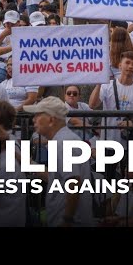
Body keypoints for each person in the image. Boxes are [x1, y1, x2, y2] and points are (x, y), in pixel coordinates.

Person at [24, 96, 94, 227]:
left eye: (38, 115)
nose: (33, 120)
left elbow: (73, 182)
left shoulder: (64, 142)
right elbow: (55, 178)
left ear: (51, 120)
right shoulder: (62, 140)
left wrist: (67, 219)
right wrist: (22, 160)